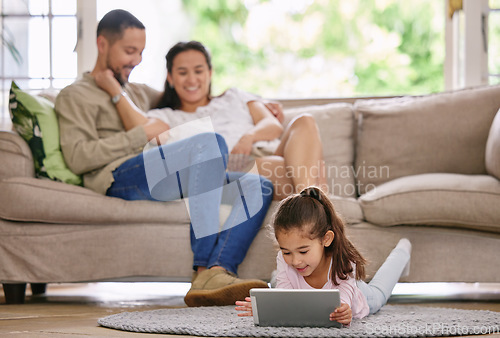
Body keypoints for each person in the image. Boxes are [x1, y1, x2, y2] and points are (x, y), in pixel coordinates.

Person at [55, 9, 274, 307]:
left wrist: (260, 104)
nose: (137, 60)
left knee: (258, 186)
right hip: (116, 176)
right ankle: (201, 271)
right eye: (129, 51)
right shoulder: (75, 95)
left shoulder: (137, 90)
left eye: (141, 52)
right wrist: (138, 133)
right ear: (102, 44)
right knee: (208, 142)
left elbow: (186, 90)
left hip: (157, 171)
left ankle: (219, 270)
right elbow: (78, 158)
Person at [147, 41, 329, 200]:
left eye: (198, 70)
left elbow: (273, 125)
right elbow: (144, 132)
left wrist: (248, 137)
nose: (192, 79)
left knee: (305, 121)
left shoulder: (235, 96)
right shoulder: (166, 116)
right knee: (311, 172)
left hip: (276, 155)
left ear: (209, 73)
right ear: (170, 77)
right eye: (182, 72)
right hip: (232, 171)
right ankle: (317, 204)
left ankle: (312, 207)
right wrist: (117, 94)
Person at [235, 186, 412, 326]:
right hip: (303, 289)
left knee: (379, 293)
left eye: (303, 251)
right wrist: (268, 307)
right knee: (282, 279)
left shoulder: (344, 260)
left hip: (357, 294)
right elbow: (286, 299)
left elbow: (342, 302)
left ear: (326, 239)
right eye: (286, 251)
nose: (295, 260)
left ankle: (402, 251)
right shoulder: (285, 260)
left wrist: (343, 310)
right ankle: (275, 277)